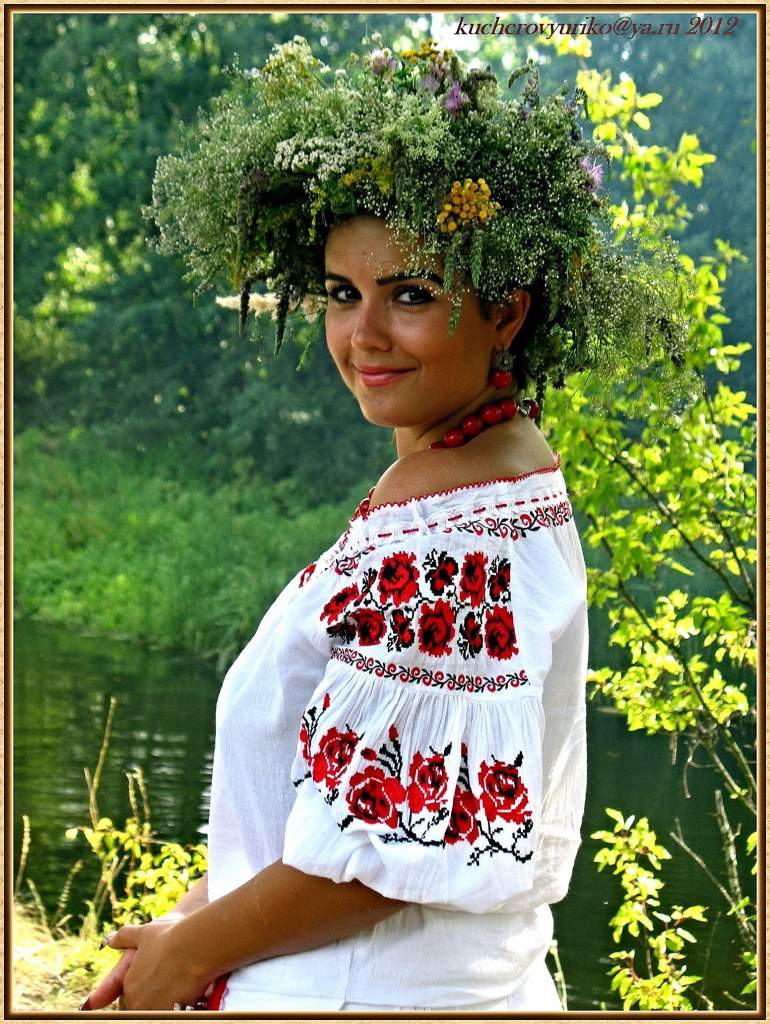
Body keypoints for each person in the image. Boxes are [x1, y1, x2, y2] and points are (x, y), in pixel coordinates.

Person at [81, 33, 693, 1013]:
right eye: (341, 293)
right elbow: (337, 804)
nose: (362, 334)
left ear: (506, 312)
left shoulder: (458, 539)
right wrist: (197, 919)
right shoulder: (468, 483)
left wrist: (187, 959)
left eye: (409, 294)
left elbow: (386, 851)